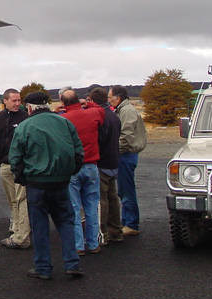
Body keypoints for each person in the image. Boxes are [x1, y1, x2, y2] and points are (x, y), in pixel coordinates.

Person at [9, 91, 84, 280]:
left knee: (40, 226)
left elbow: (15, 158)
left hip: (36, 183)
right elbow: (78, 152)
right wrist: (69, 172)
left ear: (30, 107)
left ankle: (43, 267)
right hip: (61, 182)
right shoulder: (64, 122)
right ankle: (72, 263)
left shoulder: (24, 126)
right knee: (66, 222)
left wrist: (22, 178)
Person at [59, 88, 104, 255]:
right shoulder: (93, 114)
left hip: (73, 167)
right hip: (91, 166)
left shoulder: (63, 119)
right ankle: (93, 243)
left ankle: (78, 245)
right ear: (79, 100)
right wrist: (89, 103)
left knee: (74, 208)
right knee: (92, 206)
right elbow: (101, 110)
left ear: (63, 103)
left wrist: (56, 111)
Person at [0, 88, 31, 249]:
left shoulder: (25, 117)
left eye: (19, 100)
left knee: (22, 200)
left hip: (21, 166)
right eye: (13, 101)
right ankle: (16, 227)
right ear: (5, 101)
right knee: (12, 199)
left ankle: (23, 233)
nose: (17, 104)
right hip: (6, 165)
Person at [108, 86, 147, 236]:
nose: (109, 100)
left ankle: (131, 224)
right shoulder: (122, 110)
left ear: (118, 98)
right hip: (124, 154)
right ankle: (126, 222)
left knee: (126, 190)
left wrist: (114, 151)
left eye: (110, 97)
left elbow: (126, 135)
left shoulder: (127, 111)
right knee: (123, 190)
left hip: (126, 155)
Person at [88, 87, 123, 244]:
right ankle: (116, 230)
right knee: (112, 197)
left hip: (102, 162)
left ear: (92, 100)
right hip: (113, 161)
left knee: (101, 199)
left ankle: (103, 233)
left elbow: (99, 139)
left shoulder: (101, 116)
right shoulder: (114, 115)